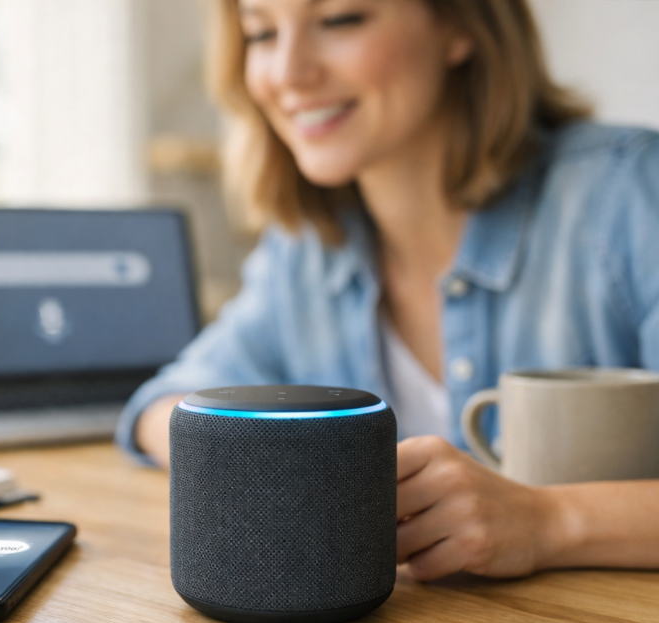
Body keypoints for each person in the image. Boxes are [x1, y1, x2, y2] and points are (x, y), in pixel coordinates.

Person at [115, 0, 659, 581]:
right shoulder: (306, 249)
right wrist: (271, 465)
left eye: (340, 20)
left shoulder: (627, 195)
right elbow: (162, 407)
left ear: (460, 25)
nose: (287, 73)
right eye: (262, 32)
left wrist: (550, 520)